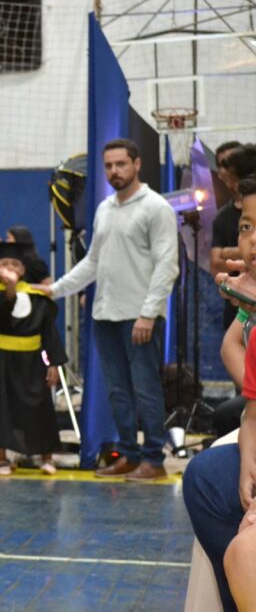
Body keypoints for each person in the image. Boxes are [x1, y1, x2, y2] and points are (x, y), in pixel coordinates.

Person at [44, 138, 178, 480]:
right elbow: (93, 262)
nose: (114, 171)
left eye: (121, 164)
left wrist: (149, 313)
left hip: (139, 316)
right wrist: (55, 290)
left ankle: (154, 459)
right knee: (117, 391)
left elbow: (167, 265)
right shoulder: (105, 208)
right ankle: (129, 455)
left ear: (137, 164)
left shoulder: (156, 207)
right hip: (105, 315)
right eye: (108, 166)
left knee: (145, 389)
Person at [183, 176, 256, 611]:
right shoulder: (247, 290)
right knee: (206, 474)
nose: (253, 240)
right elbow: (232, 347)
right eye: (246, 226)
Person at [0, 242, 64, 476]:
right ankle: (1, 459)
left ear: (22, 269)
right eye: (4, 264)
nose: (10, 267)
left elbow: (49, 333)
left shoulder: (39, 299)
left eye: (15, 264)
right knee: (1, 408)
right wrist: (9, 287)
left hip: (32, 361)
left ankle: (46, 457)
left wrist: (53, 362)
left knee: (40, 408)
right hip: (1, 361)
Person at [212, 143, 252, 329]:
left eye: (234, 179)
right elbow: (216, 263)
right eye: (245, 227)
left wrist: (229, 252)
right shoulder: (223, 217)